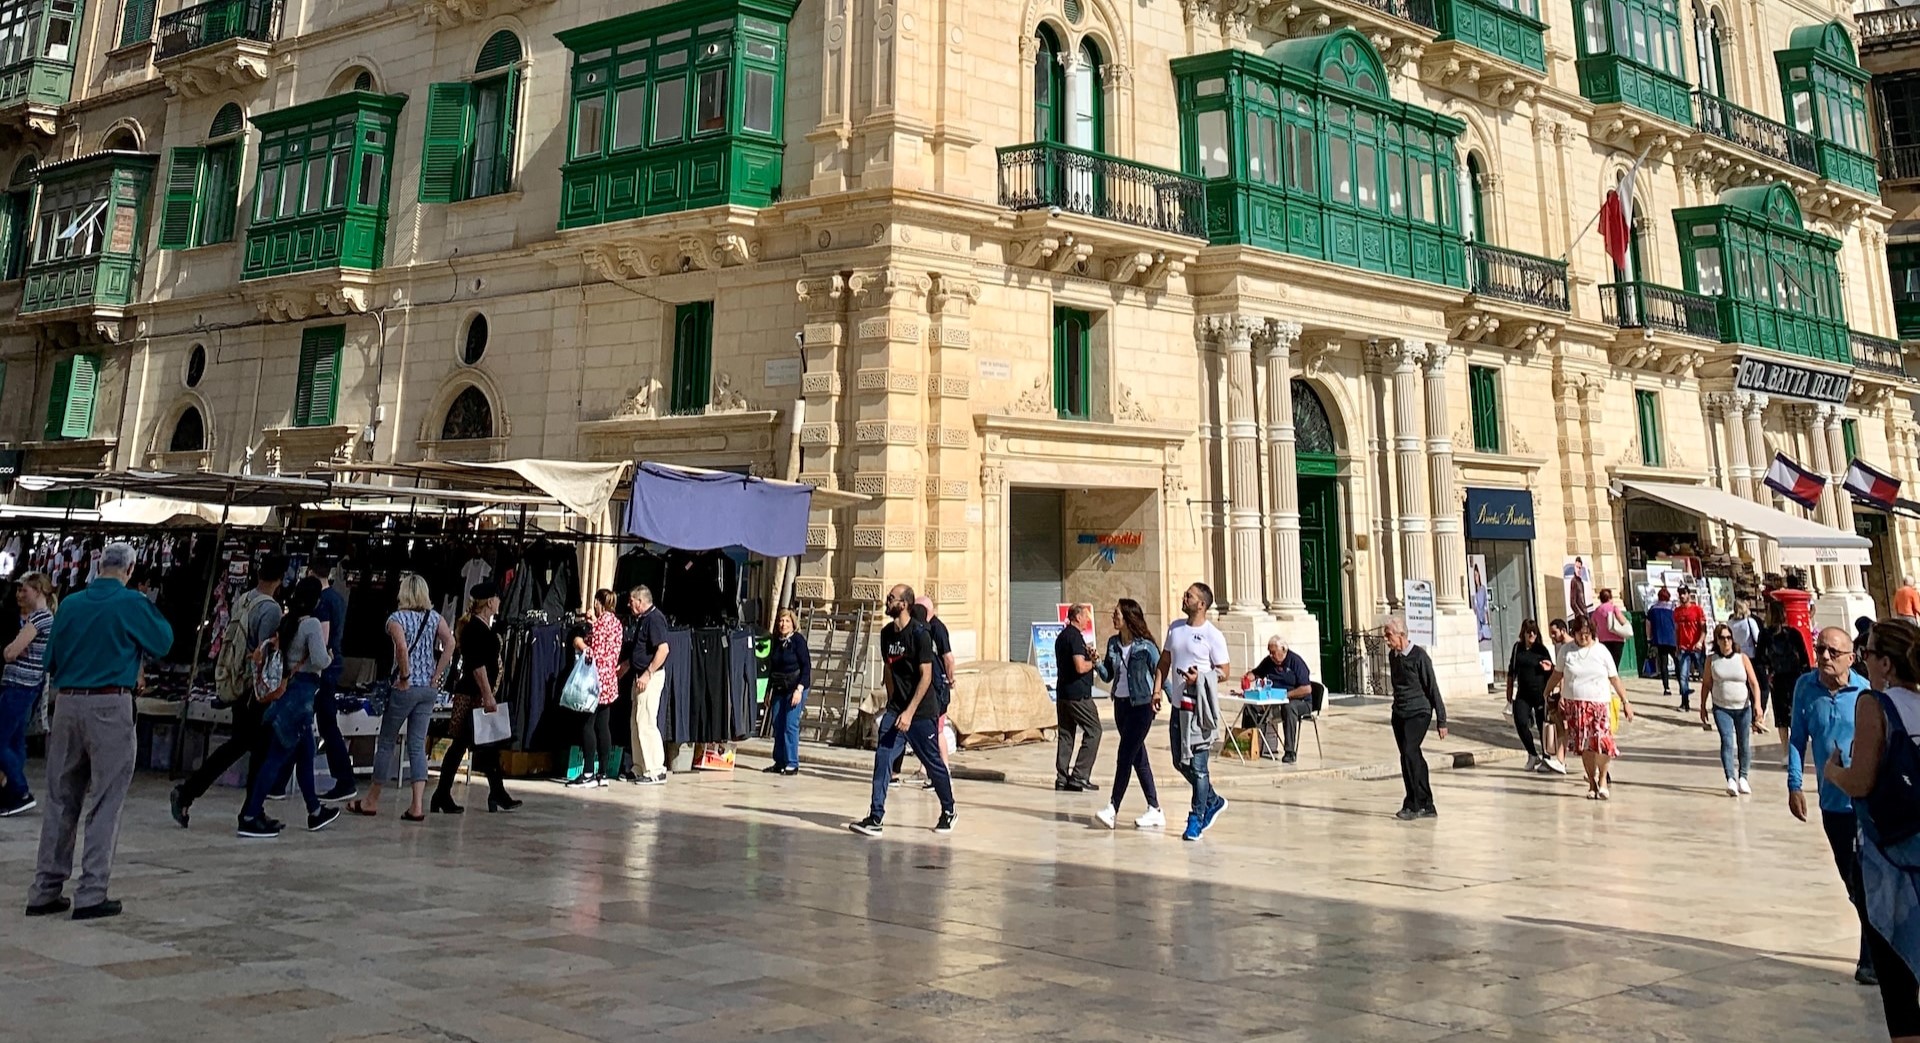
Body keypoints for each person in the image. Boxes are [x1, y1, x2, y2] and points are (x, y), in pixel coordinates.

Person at [26, 542, 171, 920]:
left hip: (68, 704)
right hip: (110, 702)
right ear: (131, 568)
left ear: (97, 566)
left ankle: (44, 889)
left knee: (61, 797)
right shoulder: (132, 603)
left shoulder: (71, 604)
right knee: (106, 799)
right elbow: (163, 642)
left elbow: (49, 660)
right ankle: (91, 891)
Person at [1833, 620, 1920, 1039]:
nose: (1863, 660)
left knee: (1901, 987)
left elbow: (1862, 781)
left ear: (1885, 662)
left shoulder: (1875, 704)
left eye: (1866, 653)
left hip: (1890, 862)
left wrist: (1834, 772)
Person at [1785, 625, 1877, 986]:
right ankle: (1876, 947)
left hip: (1867, 803)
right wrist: (1795, 784)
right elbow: (1796, 738)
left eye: (1832, 652)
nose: (1823, 657)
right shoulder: (1805, 688)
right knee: (1852, 884)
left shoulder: (1866, 693)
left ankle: (1870, 960)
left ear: (1850, 658)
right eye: (1820, 649)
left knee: (1867, 882)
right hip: (1833, 804)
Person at [171, 554, 286, 829]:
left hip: (236, 682)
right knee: (252, 748)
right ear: (281, 579)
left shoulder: (244, 599)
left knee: (242, 745)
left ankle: (244, 807)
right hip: (253, 691)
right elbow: (265, 654)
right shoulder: (270, 610)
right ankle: (247, 811)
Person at [237, 578, 342, 838]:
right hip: (302, 695)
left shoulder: (287, 622)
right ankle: (250, 814)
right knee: (276, 756)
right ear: (316, 600)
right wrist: (330, 656)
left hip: (287, 693)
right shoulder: (312, 625)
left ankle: (315, 811)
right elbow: (318, 659)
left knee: (306, 753)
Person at [848, 584, 955, 836]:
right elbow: (889, 668)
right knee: (883, 758)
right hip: (897, 709)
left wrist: (909, 712)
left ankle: (949, 810)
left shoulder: (920, 634)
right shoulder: (886, 634)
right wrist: (893, 703)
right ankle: (875, 817)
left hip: (920, 711)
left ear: (904, 604)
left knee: (933, 762)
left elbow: (926, 676)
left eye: (891, 598)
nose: (887, 601)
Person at [348, 574, 454, 822]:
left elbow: (401, 648)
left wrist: (405, 675)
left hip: (405, 688)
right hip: (428, 690)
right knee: (417, 745)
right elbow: (450, 642)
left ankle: (371, 800)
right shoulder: (435, 618)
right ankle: (417, 806)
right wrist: (437, 675)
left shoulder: (396, 619)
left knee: (386, 742)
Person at [271, 557, 355, 803]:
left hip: (318, 672)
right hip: (329, 667)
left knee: (315, 724)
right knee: (310, 725)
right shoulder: (337, 598)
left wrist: (318, 659)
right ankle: (281, 782)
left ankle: (342, 779)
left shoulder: (322, 603)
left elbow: (321, 640)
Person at [431, 583, 518, 813]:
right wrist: (488, 695)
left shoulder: (482, 628)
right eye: (497, 598)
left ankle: (495, 793)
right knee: (464, 745)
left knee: (485, 746)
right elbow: (477, 666)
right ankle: (443, 794)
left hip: (479, 693)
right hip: (474, 695)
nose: (499, 602)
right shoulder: (474, 630)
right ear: (489, 602)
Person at [1155, 582, 1227, 842]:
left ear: (1202, 604)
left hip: (1200, 709)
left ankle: (1195, 818)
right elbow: (1165, 661)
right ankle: (1213, 799)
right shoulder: (1175, 628)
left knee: (1198, 767)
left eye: (1190, 596)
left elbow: (1224, 671)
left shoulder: (1212, 635)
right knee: (1179, 761)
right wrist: (1156, 690)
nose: (1184, 597)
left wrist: (1202, 677)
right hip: (1178, 706)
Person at [1543, 615, 1633, 800]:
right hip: (1575, 705)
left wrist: (1626, 701)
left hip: (1598, 704)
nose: (1583, 637)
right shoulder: (1566, 651)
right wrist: (1547, 692)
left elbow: (1614, 678)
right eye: (1580, 634)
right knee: (1585, 747)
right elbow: (1557, 674)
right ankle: (1592, 782)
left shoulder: (1601, 651)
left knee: (1603, 744)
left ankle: (1602, 780)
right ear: (1574, 633)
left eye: (1587, 634)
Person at [1093, 599, 1162, 829]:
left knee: (1125, 755)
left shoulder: (1146, 646)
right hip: (1120, 706)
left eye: (1117, 614)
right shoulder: (1113, 643)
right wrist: (1095, 663)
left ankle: (1113, 808)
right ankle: (1155, 808)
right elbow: (1107, 676)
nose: (1113, 617)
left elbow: (1160, 671)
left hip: (1142, 706)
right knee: (1138, 757)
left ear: (1128, 618)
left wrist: (1166, 695)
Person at [0, 572, 55, 816]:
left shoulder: (40, 619)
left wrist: (11, 649)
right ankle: (14, 792)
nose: (20, 594)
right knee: (14, 741)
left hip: (20, 685)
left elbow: (11, 652)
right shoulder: (39, 618)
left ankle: (20, 789)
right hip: (24, 685)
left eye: (25, 590)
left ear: (39, 591)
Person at [1383, 616, 1447, 820]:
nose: (1386, 639)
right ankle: (1427, 803)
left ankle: (1413, 803)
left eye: (1388, 635)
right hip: (1400, 712)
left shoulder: (1420, 656)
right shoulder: (1393, 657)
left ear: (1401, 635)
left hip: (1419, 711)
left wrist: (1442, 720)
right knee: (1410, 756)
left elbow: (1432, 687)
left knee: (1410, 751)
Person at [893, 595, 955, 787]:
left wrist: (950, 679)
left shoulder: (936, 629)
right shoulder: (921, 630)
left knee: (937, 731)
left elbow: (948, 658)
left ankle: (942, 774)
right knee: (932, 732)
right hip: (933, 687)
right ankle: (927, 771)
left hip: (937, 688)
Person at [566, 590, 624, 789]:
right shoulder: (616, 623)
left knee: (587, 724)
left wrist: (579, 643)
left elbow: (593, 653)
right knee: (603, 725)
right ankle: (603, 773)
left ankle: (588, 771)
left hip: (594, 681)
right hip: (609, 680)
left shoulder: (600, 625)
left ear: (599, 603)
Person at [1703, 622, 1763, 797]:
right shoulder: (1711, 660)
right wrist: (1702, 707)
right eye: (1722, 638)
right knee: (1727, 742)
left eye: (1729, 638)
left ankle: (1743, 776)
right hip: (1722, 708)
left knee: (1744, 743)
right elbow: (1706, 684)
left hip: (1743, 708)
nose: (1726, 642)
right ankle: (1730, 778)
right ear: (1717, 640)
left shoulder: (1742, 658)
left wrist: (1758, 704)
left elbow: (1754, 683)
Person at [1053, 603, 1101, 790]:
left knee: (1066, 735)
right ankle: (1080, 775)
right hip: (1077, 695)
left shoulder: (1063, 636)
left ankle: (1062, 777)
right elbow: (1080, 667)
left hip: (1063, 693)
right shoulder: (1074, 637)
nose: (1088, 620)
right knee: (1094, 730)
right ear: (1077, 617)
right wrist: (1094, 663)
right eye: (1085, 616)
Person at [625, 585, 671, 786]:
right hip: (638, 676)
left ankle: (655, 769)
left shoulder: (655, 619)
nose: (629, 605)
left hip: (650, 677)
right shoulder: (642, 619)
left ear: (640, 601)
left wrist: (648, 673)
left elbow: (663, 649)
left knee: (647, 722)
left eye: (631, 601)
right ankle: (640, 767)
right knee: (636, 722)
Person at [1244, 635, 1312, 763]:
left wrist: (1286, 695)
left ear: (1283, 650)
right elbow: (1256, 673)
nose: (1271, 655)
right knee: (1250, 706)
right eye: (1269, 652)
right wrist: (1247, 678)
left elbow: (1306, 689)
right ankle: (1249, 745)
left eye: (1273, 652)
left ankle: (1290, 751)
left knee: (1289, 707)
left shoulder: (1296, 662)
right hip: (1273, 700)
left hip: (1299, 701)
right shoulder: (1269, 661)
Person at [762, 607, 811, 775]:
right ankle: (779, 761)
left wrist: (799, 689)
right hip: (779, 687)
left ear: (793, 623)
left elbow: (806, 667)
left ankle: (792, 762)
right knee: (777, 723)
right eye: (781, 621)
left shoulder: (798, 641)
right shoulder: (776, 641)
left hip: (795, 686)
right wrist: (768, 691)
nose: (783, 624)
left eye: (787, 621)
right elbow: (771, 667)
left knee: (790, 724)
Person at [1505, 618, 1556, 774]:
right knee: (1520, 721)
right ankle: (1532, 754)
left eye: (1534, 632)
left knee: (1543, 727)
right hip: (1522, 693)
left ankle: (1547, 757)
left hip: (1540, 693)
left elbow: (1553, 670)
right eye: (1529, 632)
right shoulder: (1517, 649)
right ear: (1524, 633)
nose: (1531, 635)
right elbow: (1511, 671)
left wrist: (1549, 669)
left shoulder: (1541, 650)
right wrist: (1508, 692)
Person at [1764, 598, 1813, 755]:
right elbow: (1804, 656)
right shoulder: (1794, 633)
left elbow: (1760, 659)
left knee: (1781, 717)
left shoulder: (1765, 635)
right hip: (1794, 677)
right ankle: (1797, 749)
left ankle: (1785, 752)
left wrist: (1767, 674)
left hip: (1777, 678)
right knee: (1796, 713)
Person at [1729, 599, 1769, 735]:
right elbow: (1758, 639)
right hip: (1753, 657)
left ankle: (1749, 717)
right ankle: (1758, 715)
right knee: (1762, 687)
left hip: (1738, 657)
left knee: (1746, 687)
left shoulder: (1730, 623)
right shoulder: (1749, 621)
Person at [1542, 618, 1573, 774]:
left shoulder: (1569, 648)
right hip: (1565, 693)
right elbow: (1560, 672)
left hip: (1572, 695)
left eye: (1554, 633)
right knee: (1562, 727)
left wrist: (1561, 694)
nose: (1552, 637)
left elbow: (1565, 675)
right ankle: (1560, 760)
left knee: (1575, 730)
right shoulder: (1562, 649)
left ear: (1563, 630)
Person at [1674, 587, 1707, 712]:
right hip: (1683, 648)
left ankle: (1714, 700)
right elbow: (1677, 630)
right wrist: (1677, 646)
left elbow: (1704, 629)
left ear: (1689, 595)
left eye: (1684, 593)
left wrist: (1699, 642)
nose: (1682, 596)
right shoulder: (1677, 612)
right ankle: (1685, 702)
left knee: (1705, 675)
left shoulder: (1697, 610)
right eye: (1680, 594)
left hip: (1696, 648)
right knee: (1682, 675)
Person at [1645, 587, 1678, 701]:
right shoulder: (1673, 609)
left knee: (1663, 664)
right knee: (1677, 662)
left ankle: (1667, 688)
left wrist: (1649, 638)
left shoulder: (1652, 609)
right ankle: (1682, 684)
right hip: (1672, 639)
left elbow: (1648, 625)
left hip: (1659, 639)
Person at [1588, 589, 1629, 666]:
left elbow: (1592, 626)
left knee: (1607, 663)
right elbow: (1622, 621)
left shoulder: (1597, 610)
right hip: (1617, 638)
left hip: (1603, 640)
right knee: (1615, 663)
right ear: (1610, 598)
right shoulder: (1614, 608)